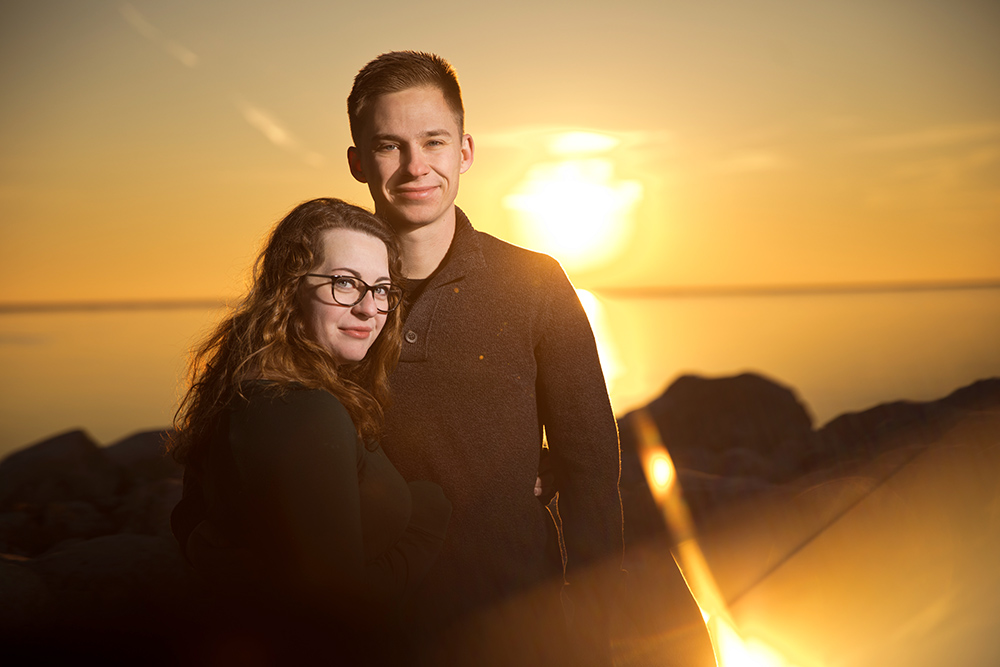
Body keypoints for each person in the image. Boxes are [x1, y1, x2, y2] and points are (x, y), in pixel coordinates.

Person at [346, 52, 624, 665]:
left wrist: (595, 629)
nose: (416, 166)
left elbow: (591, 471)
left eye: (434, 141)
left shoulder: (534, 283)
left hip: (517, 630)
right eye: (390, 146)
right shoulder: (326, 296)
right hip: (368, 635)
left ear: (465, 151)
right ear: (358, 162)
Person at [169, 198, 451, 664]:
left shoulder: (256, 387)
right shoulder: (301, 409)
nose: (370, 308)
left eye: (382, 289)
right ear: (289, 289)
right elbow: (332, 611)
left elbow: (191, 520)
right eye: (345, 283)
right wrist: (426, 518)